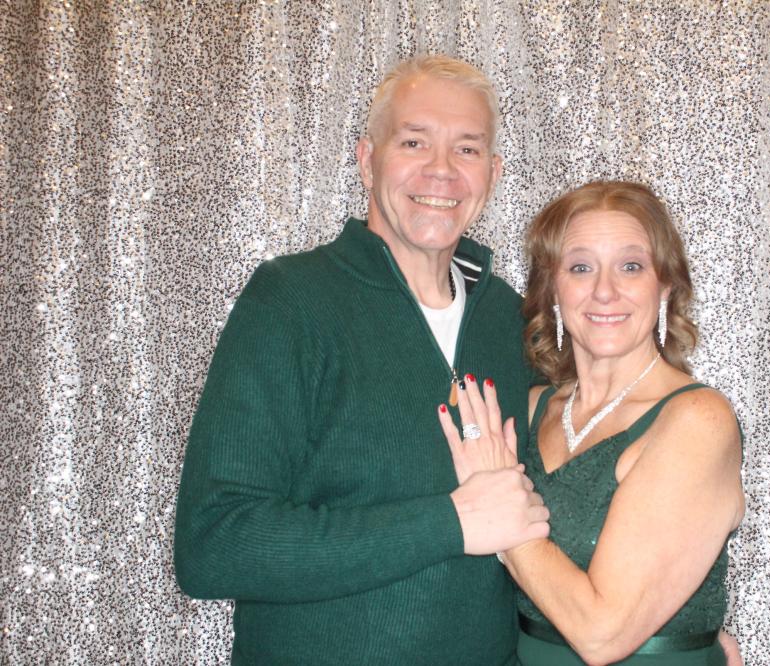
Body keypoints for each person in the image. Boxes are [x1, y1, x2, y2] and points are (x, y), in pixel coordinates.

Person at [173, 55, 550, 665]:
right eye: (413, 141)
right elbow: (214, 545)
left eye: (467, 149)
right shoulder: (292, 300)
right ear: (368, 160)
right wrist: (450, 522)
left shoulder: (510, 318)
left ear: (493, 172)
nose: (441, 170)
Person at [439, 181, 745, 665]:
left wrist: (502, 510)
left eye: (631, 266)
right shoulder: (533, 406)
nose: (605, 291)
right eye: (581, 268)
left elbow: (603, 635)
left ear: (665, 286)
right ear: (552, 290)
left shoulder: (697, 420)